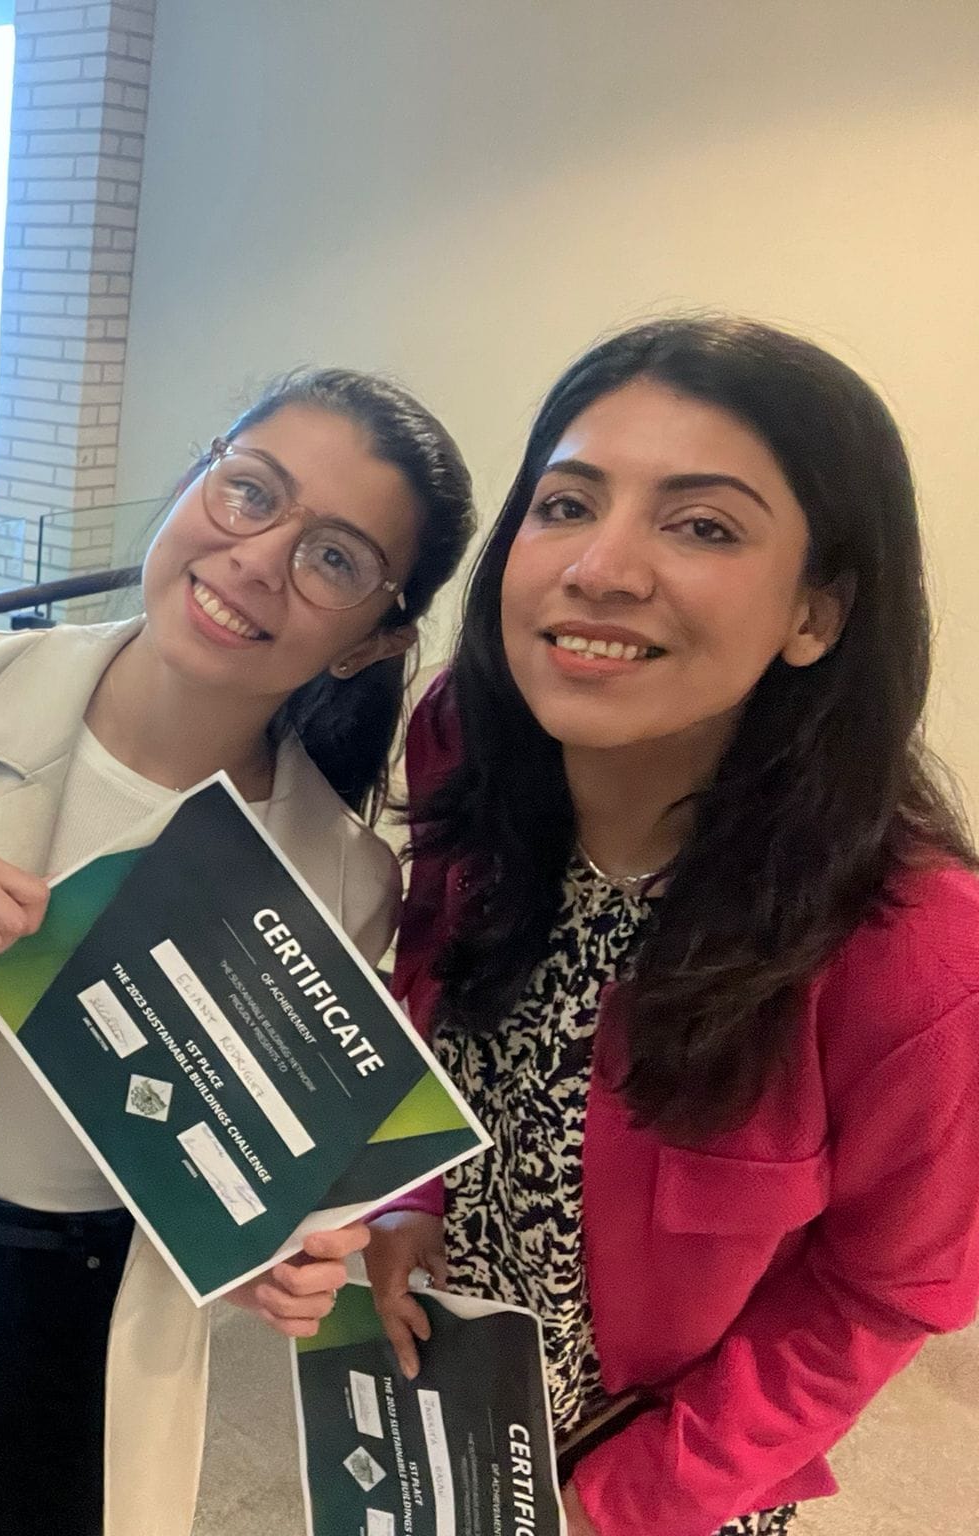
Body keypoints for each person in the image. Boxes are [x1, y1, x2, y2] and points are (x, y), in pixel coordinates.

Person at [0, 370, 476, 1536]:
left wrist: (284, 1255)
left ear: (377, 637)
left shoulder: (344, 879)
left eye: (335, 560)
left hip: (87, 1280)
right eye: (248, 490)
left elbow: (272, 1163)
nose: (258, 557)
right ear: (194, 480)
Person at [367, 316, 979, 1536]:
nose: (599, 567)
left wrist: (632, 1501)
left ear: (816, 611)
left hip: (665, 1473)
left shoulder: (916, 953)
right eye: (565, 504)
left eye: (700, 524)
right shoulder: (467, 744)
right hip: (435, 1404)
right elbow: (427, 984)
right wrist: (406, 1202)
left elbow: (887, 1288)